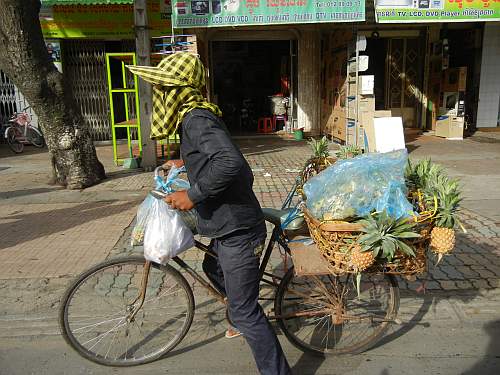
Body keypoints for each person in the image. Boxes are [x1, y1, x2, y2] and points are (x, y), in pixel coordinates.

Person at [128, 53, 292, 375]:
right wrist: (185, 164)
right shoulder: (195, 117)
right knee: (210, 264)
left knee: (247, 312)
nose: (160, 95)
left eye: (164, 89)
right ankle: (239, 307)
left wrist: (192, 194)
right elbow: (212, 158)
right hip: (225, 224)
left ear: (178, 90)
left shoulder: (196, 119)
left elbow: (230, 163)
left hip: (238, 230)